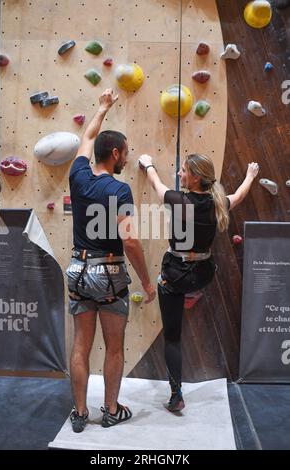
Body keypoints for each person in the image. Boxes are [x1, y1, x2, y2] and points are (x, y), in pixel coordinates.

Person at [138, 153, 259, 412]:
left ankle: (176, 394)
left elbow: (156, 184)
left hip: (176, 274)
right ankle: (191, 294)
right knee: (186, 281)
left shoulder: (178, 200)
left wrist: (147, 163)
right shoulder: (217, 204)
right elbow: (238, 196)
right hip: (203, 273)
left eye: (183, 171)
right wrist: (250, 176)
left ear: (195, 177)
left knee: (172, 337)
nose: (180, 174)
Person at [67, 89, 156, 432]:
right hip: (109, 273)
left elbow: (88, 136)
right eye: (126, 154)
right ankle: (110, 409)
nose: (126, 159)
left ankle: (79, 413)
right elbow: (130, 241)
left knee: (80, 345)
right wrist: (147, 281)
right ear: (115, 154)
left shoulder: (78, 176)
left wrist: (102, 108)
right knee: (114, 347)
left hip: (77, 268)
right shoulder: (119, 191)